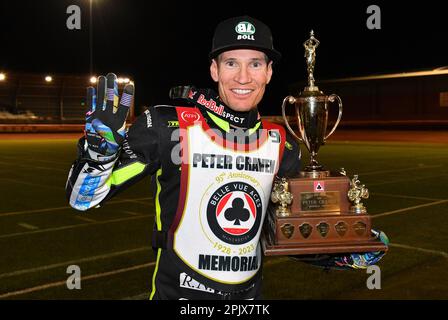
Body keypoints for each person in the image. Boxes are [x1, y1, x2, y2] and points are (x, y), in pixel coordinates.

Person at [66, 15, 387, 300]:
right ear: (214, 69)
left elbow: (280, 233)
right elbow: (83, 200)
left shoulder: (282, 144)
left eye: (255, 64)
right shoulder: (167, 125)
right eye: (232, 63)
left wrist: (343, 250)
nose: (243, 77)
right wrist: (99, 152)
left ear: (269, 73)